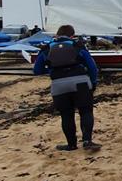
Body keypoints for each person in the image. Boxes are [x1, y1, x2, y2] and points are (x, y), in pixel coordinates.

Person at [33, 24, 100, 152]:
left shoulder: (47, 48)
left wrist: (53, 71)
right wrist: (92, 83)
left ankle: (71, 145)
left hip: (59, 86)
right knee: (86, 112)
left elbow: (37, 70)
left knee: (66, 115)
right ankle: (87, 141)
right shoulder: (78, 46)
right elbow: (92, 67)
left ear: (57, 35)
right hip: (81, 83)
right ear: (72, 36)